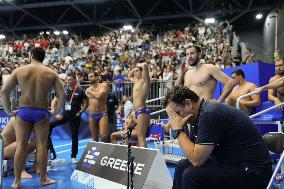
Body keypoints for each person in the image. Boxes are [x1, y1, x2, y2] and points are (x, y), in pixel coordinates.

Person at [164, 85, 272, 189]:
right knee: (182, 165)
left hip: (254, 173)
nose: (175, 119)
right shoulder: (197, 115)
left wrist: (178, 130)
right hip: (231, 164)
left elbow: (197, 160)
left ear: (188, 104)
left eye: (177, 113)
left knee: (191, 175)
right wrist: (181, 128)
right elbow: (192, 155)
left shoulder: (210, 113)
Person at [0, 47, 66, 188]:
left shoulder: (20, 71)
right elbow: (63, 95)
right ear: (43, 57)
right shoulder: (51, 73)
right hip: (42, 112)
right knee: (42, 145)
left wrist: (8, 110)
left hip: (24, 111)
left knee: (21, 145)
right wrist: (54, 112)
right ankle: (43, 179)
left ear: (31, 55)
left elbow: (4, 92)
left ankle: (16, 182)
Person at [48, 74, 88, 163]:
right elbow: (54, 101)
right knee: (49, 125)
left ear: (75, 80)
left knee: (74, 136)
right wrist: (54, 113)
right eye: (67, 79)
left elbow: (86, 103)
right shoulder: (63, 90)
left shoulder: (80, 90)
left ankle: (73, 156)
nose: (68, 81)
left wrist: (80, 112)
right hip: (64, 115)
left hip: (75, 116)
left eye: (70, 79)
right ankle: (51, 152)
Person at [128, 63, 150, 147]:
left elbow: (145, 65)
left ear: (142, 72)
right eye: (135, 71)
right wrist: (135, 68)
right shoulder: (136, 81)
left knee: (141, 137)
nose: (135, 72)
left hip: (142, 111)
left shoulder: (145, 81)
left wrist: (139, 65)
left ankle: (144, 160)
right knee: (139, 137)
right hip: (137, 112)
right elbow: (129, 76)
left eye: (137, 71)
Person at [86, 71, 109, 142]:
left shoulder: (103, 85)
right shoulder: (88, 89)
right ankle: (97, 152)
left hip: (102, 113)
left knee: (103, 136)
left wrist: (91, 92)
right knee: (95, 138)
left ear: (97, 77)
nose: (89, 78)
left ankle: (104, 152)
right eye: (88, 77)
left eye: (91, 76)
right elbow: (90, 99)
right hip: (91, 114)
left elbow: (99, 96)